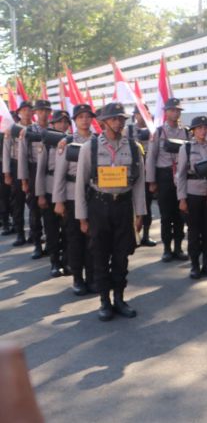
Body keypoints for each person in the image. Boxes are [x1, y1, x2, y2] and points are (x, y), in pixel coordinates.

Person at [75, 102, 147, 321]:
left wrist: (140, 213)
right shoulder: (91, 147)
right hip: (99, 206)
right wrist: (82, 216)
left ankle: (119, 298)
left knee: (121, 256)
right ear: (104, 122)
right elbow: (80, 183)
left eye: (121, 119)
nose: (119, 123)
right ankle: (104, 301)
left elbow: (139, 183)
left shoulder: (134, 147)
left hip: (123, 206)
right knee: (100, 254)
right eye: (114, 119)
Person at [53, 104, 97, 296]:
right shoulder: (67, 143)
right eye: (81, 117)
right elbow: (59, 175)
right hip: (71, 196)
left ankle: (93, 277)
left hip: (94, 195)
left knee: (93, 240)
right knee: (75, 239)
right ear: (75, 121)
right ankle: (78, 278)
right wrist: (59, 201)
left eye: (88, 117)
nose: (85, 120)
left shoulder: (99, 141)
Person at [146, 97, 189, 262]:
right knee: (166, 215)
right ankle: (167, 248)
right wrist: (151, 181)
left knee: (180, 214)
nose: (175, 113)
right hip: (164, 176)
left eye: (178, 110)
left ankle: (178, 247)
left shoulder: (185, 132)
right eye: (172, 110)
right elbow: (151, 157)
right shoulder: (158, 132)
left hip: (181, 176)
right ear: (166, 112)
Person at [176, 115, 207, 280]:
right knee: (194, 232)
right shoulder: (186, 148)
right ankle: (195, 265)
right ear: (193, 131)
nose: (203, 131)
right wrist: (182, 199)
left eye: (205, 128)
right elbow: (180, 175)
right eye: (199, 128)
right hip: (192, 193)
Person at [35, 110, 72, 278]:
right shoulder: (47, 143)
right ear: (53, 124)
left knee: (68, 229)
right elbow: (40, 171)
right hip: (50, 190)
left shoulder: (72, 142)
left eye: (65, 122)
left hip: (67, 191)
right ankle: (54, 262)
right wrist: (40, 194)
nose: (63, 125)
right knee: (51, 229)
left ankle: (67, 260)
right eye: (59, 122)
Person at [19, 99, 53, 259]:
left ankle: (52, 243)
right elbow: (23, 157)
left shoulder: (55, 130)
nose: (44, 114)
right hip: (33, 172)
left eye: (47, 110)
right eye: (40, 111)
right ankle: (37, 244)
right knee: (34, 210)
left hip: (51, 172)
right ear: (35, 113)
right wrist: (24, 181)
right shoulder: (28, 131)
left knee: (51, 211)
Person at [129, 104, 157, 247]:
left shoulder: (154, 130)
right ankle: (133, 235)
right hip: (130, 174)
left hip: (146, 172)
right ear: (135, 115)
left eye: (145, 113)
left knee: (146, 205)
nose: (142, 116)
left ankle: (146, 234)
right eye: (139, 113)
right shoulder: (127, 130)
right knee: (129, 207)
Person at [3, 102, 30, 248]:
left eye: (29, 110)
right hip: (16, 166)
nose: (27, 112)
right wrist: (7, 173)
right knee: (18, 202)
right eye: (24, 110)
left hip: (32, 167)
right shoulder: (12, 129)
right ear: (19, 112)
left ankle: (34, 233)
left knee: (34, 203)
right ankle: (20, 233)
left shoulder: (36, 128)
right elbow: (6, 152)